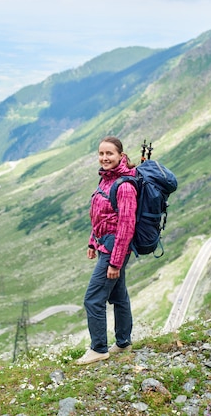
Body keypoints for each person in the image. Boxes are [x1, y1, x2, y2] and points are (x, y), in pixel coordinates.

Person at [75, 136, 137, 365]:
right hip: (105, 244)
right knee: (119, 296)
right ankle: (123, 342)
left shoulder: (125, 185)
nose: (104, 158)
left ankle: (99, 348)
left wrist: (115, 262)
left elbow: (126, 226)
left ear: (121, 155)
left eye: (109, 154)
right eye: (101, 154)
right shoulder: (106, 179)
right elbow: (102, 215)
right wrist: (93, 241)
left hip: (114, 249)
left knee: (93, 299)